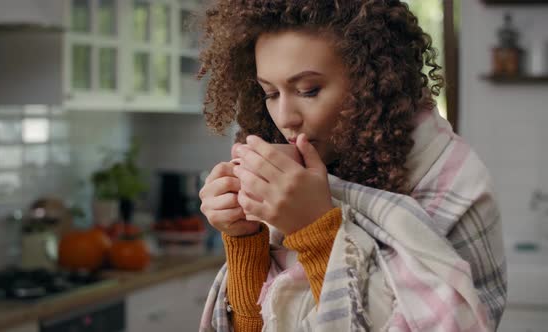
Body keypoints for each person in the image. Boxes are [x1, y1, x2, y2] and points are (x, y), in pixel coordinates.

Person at [196, 1, 506, 331]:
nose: (286, 117)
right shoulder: (285, 178)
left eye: (308, 90)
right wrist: (245, 240)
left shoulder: (454, 181)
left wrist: (316, 230)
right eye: (270, 92)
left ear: (371, 80)